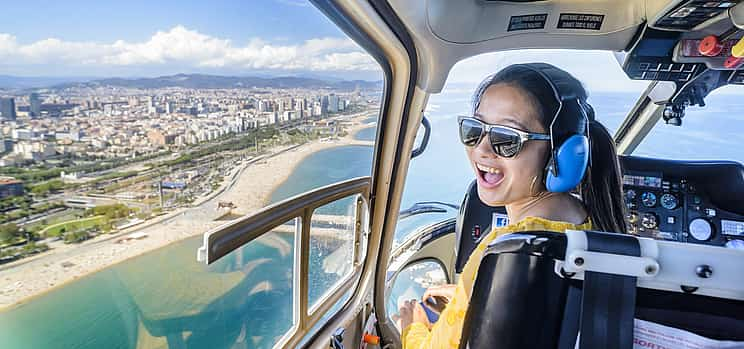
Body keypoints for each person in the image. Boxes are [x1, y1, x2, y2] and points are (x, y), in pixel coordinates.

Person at [397, 63, 626, 348]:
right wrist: (466, 297)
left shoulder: (507, 247)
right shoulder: (586, 221)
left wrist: (412, 329)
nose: (481, 149)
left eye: (507, 139)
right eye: (474, 129)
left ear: (562, 154)